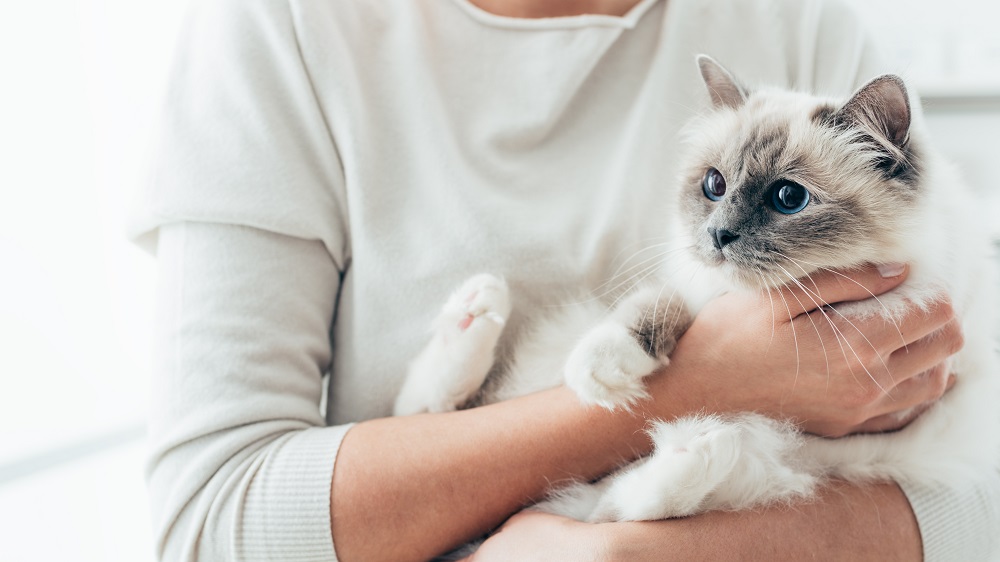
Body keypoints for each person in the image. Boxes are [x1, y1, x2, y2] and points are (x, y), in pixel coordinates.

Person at [131, 0, 1000, 560]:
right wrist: (690, 387)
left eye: (776, 199)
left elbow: (980, 499)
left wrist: (639, 556)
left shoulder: (796, 19)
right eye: (711, 190)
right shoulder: (278, 29)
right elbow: (211, 524)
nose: (727, 225)